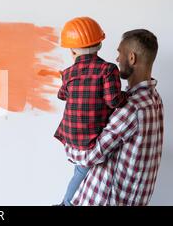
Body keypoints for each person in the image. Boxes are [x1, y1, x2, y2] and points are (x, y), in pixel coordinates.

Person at [64, 29, 163, 206]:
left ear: (132, 58)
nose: (117, 59)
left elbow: (88, 157)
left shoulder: (131, 107)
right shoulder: (154, 99)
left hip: (104, 200)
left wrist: (67, 143)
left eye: (120, 53)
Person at [54, 17, 127, 206]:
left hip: (70, 137)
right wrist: (125, 96)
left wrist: (68, 81)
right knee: (82, 171)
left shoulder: (68, 72)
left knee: (80, 170)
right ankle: (67, 203)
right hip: (91, 139)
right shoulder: (108, 70)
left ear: (71, 51)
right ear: (100, 44)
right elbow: (114, 101)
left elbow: (62, 95)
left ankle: (70, 200)